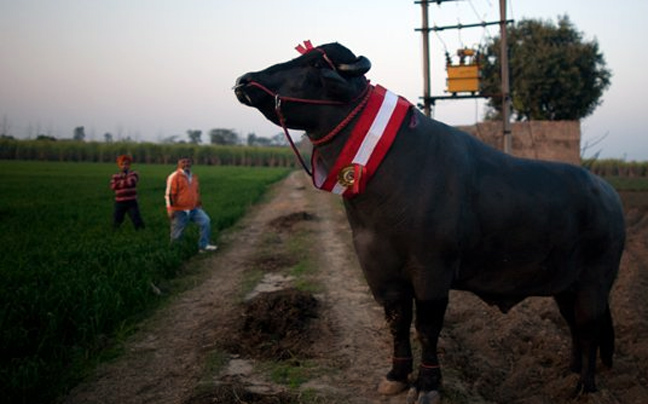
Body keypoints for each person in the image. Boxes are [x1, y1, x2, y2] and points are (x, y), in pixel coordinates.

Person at [164, 157, 217, 252]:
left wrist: (199, 204)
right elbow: (169, 194)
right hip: (179, 209)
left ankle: (203, 245)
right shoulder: (174, 176)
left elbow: (196, 192)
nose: (186, 164)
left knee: (206, 221)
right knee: (177, 233)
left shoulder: (193, 176)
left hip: (194, 208)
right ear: (178, 163)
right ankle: (175, 251)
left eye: (188, 162)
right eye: (183, 162)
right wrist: (170, 209)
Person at [110, 154, 145, 230]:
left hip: (131, 201)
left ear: (129, 165)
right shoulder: (115, 175)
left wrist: (119, 183)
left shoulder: (134, 174)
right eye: (122, 164)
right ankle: (114, 231)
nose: (124, 166)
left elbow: (132, 182)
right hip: (119, 201)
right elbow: (113, 186)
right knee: (117, 218)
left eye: (126, 164)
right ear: (119, 165)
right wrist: (125, 181)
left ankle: (141, 231)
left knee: (136, 217)